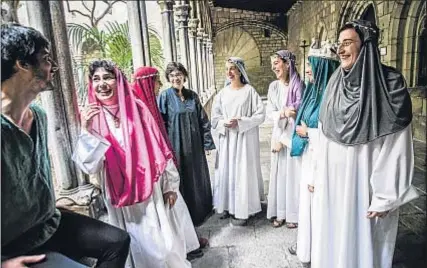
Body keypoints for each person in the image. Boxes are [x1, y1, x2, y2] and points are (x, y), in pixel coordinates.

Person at [1, 24, 130, 268]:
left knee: (118, 240)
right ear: (22, 65)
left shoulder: (38, 115)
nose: (55, 67)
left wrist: (46, 203)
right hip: (11, 244)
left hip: (46, 223)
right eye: (46, 59)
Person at [311, 20, 419, 268]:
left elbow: (397, 145)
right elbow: (326, 133)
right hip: (333, 184)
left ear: (366, 46)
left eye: (347, 43)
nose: (341, 49)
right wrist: (317, 175)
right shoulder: (335, 83)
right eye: (339, 44)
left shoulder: (390, 85)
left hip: (366, 186)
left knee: (365, 243)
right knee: (334, 237)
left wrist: (385, 196)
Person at [72, 60, 191, 268]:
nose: (102, 84)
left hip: (148, 188)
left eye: (107, 77)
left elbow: (159, 147)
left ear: (118, 80)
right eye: (96, 79)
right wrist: (86, 130)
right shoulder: (92, 117)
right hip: (118, 191)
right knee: (132, 242)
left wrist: (170, 185)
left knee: (160, 244)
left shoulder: (137, 108)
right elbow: (89, 166)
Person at [132, 66, 205, 260]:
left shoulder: (189, 96)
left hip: (172, 157)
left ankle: (189, 243)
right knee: (172, 208)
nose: (160, 85)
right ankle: (186, 247)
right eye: (158, 81)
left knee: (175, 206)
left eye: (178, 75)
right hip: (157, 167)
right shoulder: (146, 104)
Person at [287, 40, 340, 266]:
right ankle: (306, 247)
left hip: (321, 161)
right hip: (310, 157)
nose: (307, 69)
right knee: (307, 206)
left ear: (324, 67)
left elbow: (332, 136)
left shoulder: (332, 97)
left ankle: (318, 252)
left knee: (318, 208)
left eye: (312, 64)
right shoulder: (313, 91)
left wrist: (309, 132)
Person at [157, 62, 215, 229]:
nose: (176, 78)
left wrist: (207, 143)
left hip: (195, 145)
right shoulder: (165, 97)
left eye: (179, 75)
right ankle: (186, 215)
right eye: (173, 75)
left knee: (197, 176)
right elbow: (161, 123)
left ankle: (201, 211)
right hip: (176, 145)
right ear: (168, 78)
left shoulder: (192, 95)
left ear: (184, 76)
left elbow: (203, 120)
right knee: (182, 178)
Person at [211, 57, 265, 226]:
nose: (229, 72)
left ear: (240, 71)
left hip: (244, 140)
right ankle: (226, 205)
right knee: (227, 171)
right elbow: (215, 118)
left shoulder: (249, 91)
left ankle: (243, 211)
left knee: (242, 172)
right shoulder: (222, 93)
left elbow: (260, 115)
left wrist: (241, 122)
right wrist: (223, 123)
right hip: (227, 140)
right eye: (227, 69)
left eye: (233, 68)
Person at [266, 50, 304, 228]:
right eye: (272, 64)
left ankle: (293, 214)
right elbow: (270, 113)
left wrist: (291, 116)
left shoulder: (299, 85)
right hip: (278, 135)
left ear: (288, 64)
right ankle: (280, 212)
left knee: (293, 174)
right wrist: (283, 112)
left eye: (277, 63)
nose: (274, 67)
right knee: (280, 174)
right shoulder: (273, 87)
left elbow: (301, 112)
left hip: (293, 134)